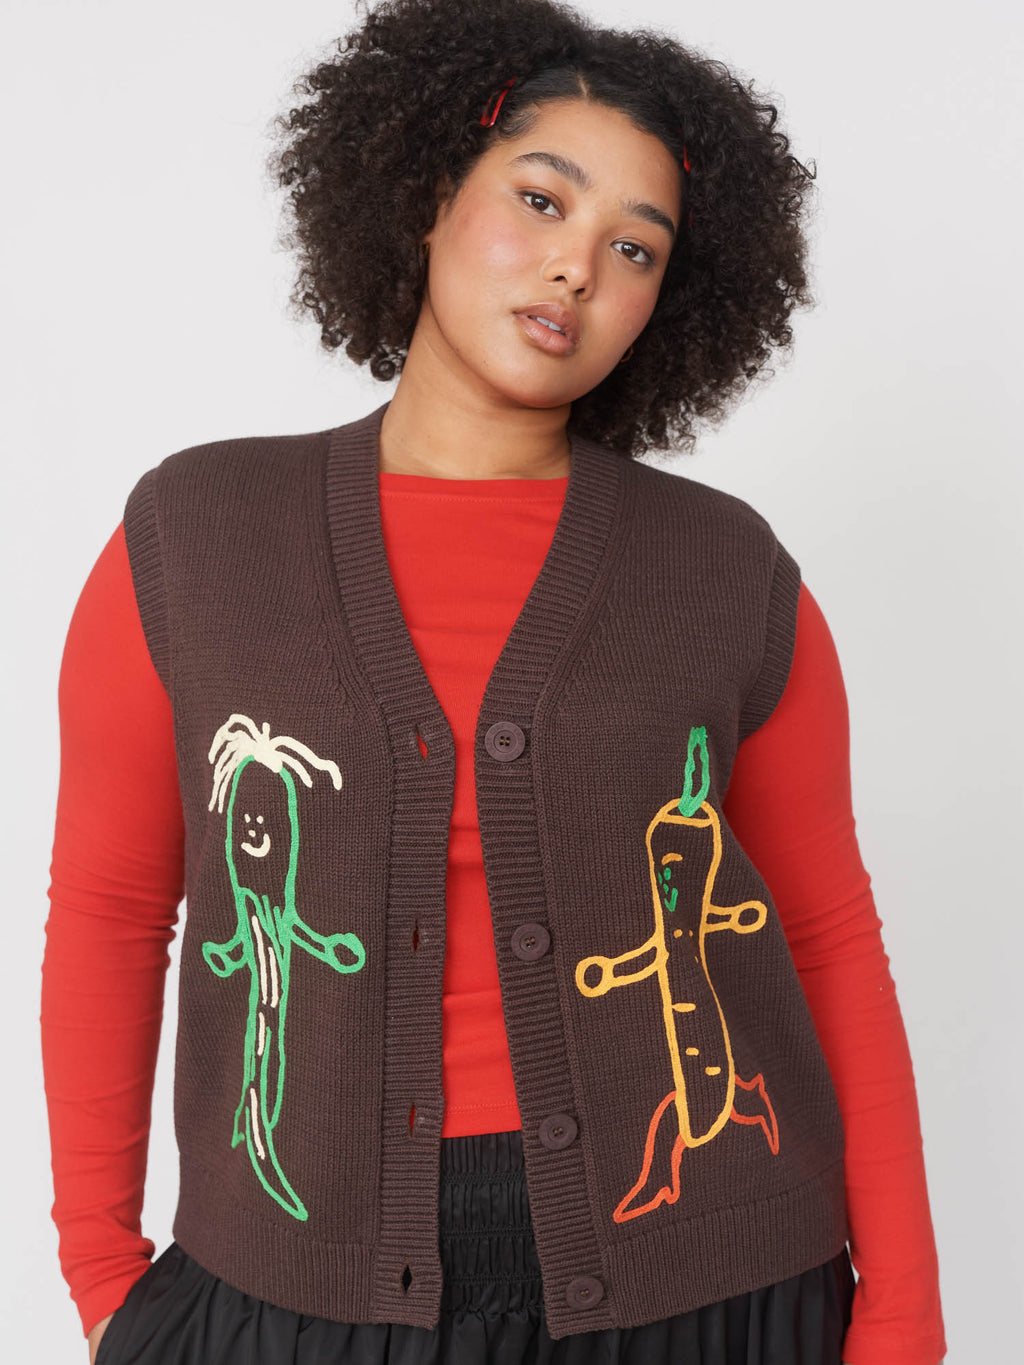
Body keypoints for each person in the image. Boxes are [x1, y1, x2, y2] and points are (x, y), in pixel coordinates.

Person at [41, 1, 948, 1362]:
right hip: (294, 1290)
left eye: (634, 248)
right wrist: (105, 1273)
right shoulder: (197, 535)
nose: (578, 266)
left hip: (711, 1290)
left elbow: (827, 941)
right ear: (427, 195)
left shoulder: (727, 570)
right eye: (541, 199)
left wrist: (905, 1320)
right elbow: (114, 914)